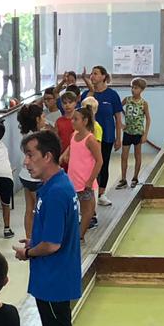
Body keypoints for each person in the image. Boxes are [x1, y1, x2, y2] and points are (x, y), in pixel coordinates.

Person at [16, 130, 82, 326]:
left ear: (48, 156)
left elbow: (53, 245)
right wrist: (35, 240)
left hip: (54, 279)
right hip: (54, 275)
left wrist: (28, 252)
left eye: (30, 155)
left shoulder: (55, 193)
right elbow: (55, 233)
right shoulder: (56, 185)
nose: (26, 162)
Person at [64, 98, 102, 242]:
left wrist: (90, 180)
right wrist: (65, 154)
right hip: (73, 179)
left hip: (85, 181)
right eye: (72, 119)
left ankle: (79, 235)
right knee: (78, 209)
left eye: (76, 119)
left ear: (85, 121)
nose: (72, 121)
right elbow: (72, 148)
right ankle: (76, 235)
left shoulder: (90, 139)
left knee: (88, 210)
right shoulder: (74, 135)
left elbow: (99, 161)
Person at [88, 65, 124, 206]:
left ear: (103, 76)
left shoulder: (112, 95)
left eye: (96, 73)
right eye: (91, 73)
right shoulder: (88, 95)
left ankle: (101, 194)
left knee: (103, 164)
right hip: (90, 137)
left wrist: (118, 138)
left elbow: (118, 118)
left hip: (107, 136)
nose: (92, 76)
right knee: (89, 165)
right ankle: (89, 193)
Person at [16, 102, 48, 239]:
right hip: (35, 178)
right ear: (37, 119)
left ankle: (29, 238)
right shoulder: (37, 139)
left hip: (25, 176)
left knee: (29, 208)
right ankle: (39, 239)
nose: (45, 119)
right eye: (43, 116)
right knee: (41, 210)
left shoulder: (26, 135)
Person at [118, 77, 152, 188]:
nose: (133, 90)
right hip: (127, 132)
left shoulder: (144, 103)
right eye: (132, 87)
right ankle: (123, 179)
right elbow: (117, 110)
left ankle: (135, 178)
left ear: (141, 89)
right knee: (124, 156)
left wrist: (145, 134)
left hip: (138, 133)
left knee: (137, 155)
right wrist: (121, 124)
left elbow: (148, 119)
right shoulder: (127, 100)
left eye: (136, 88)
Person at [54, 86, 78, 154]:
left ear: (75, 103)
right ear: (61, 104)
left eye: (70, 102)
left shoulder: (80, 120)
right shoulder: (59, 121)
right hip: (62, 153)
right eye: (64, 103)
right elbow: (56, 140)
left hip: (78, 153)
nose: (67, 105)